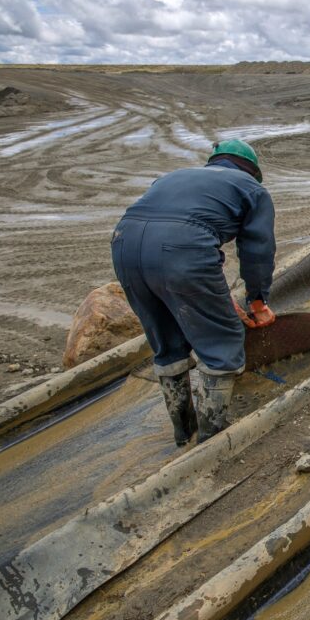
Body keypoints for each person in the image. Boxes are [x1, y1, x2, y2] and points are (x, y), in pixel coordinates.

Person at [111, 139, 276, 446]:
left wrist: (216, 294)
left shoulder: (173, 177)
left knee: (167, 340)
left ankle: (182, 431)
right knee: (223, 339)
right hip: (182, 251)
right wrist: (257, 300)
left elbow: (175, 231)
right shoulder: (251, 189)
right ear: (251, 170)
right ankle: (212, 436)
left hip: (124, 245)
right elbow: (257, 252)